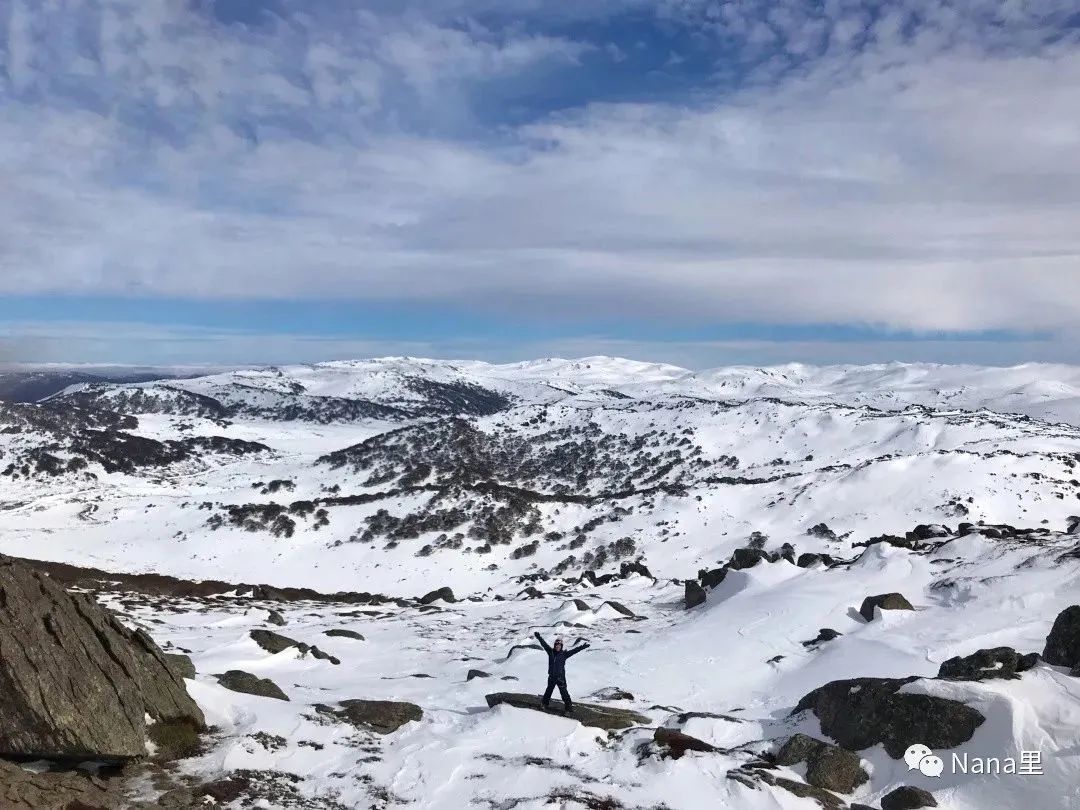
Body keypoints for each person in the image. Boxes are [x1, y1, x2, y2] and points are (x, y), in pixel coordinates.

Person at [534, 632, 589, 714]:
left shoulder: (564, 654)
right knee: (548, 691)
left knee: (564, 693)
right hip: (552, 677)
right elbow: (544, 644)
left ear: (561, 646)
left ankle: (568, 708)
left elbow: (574, 651)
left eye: (559, 645)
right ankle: (544, 704)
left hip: (560, 678)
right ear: (554, 645)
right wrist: (539, 637)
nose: (557, 646)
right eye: (556, 645)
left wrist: (582, 647)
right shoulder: (550, 652)